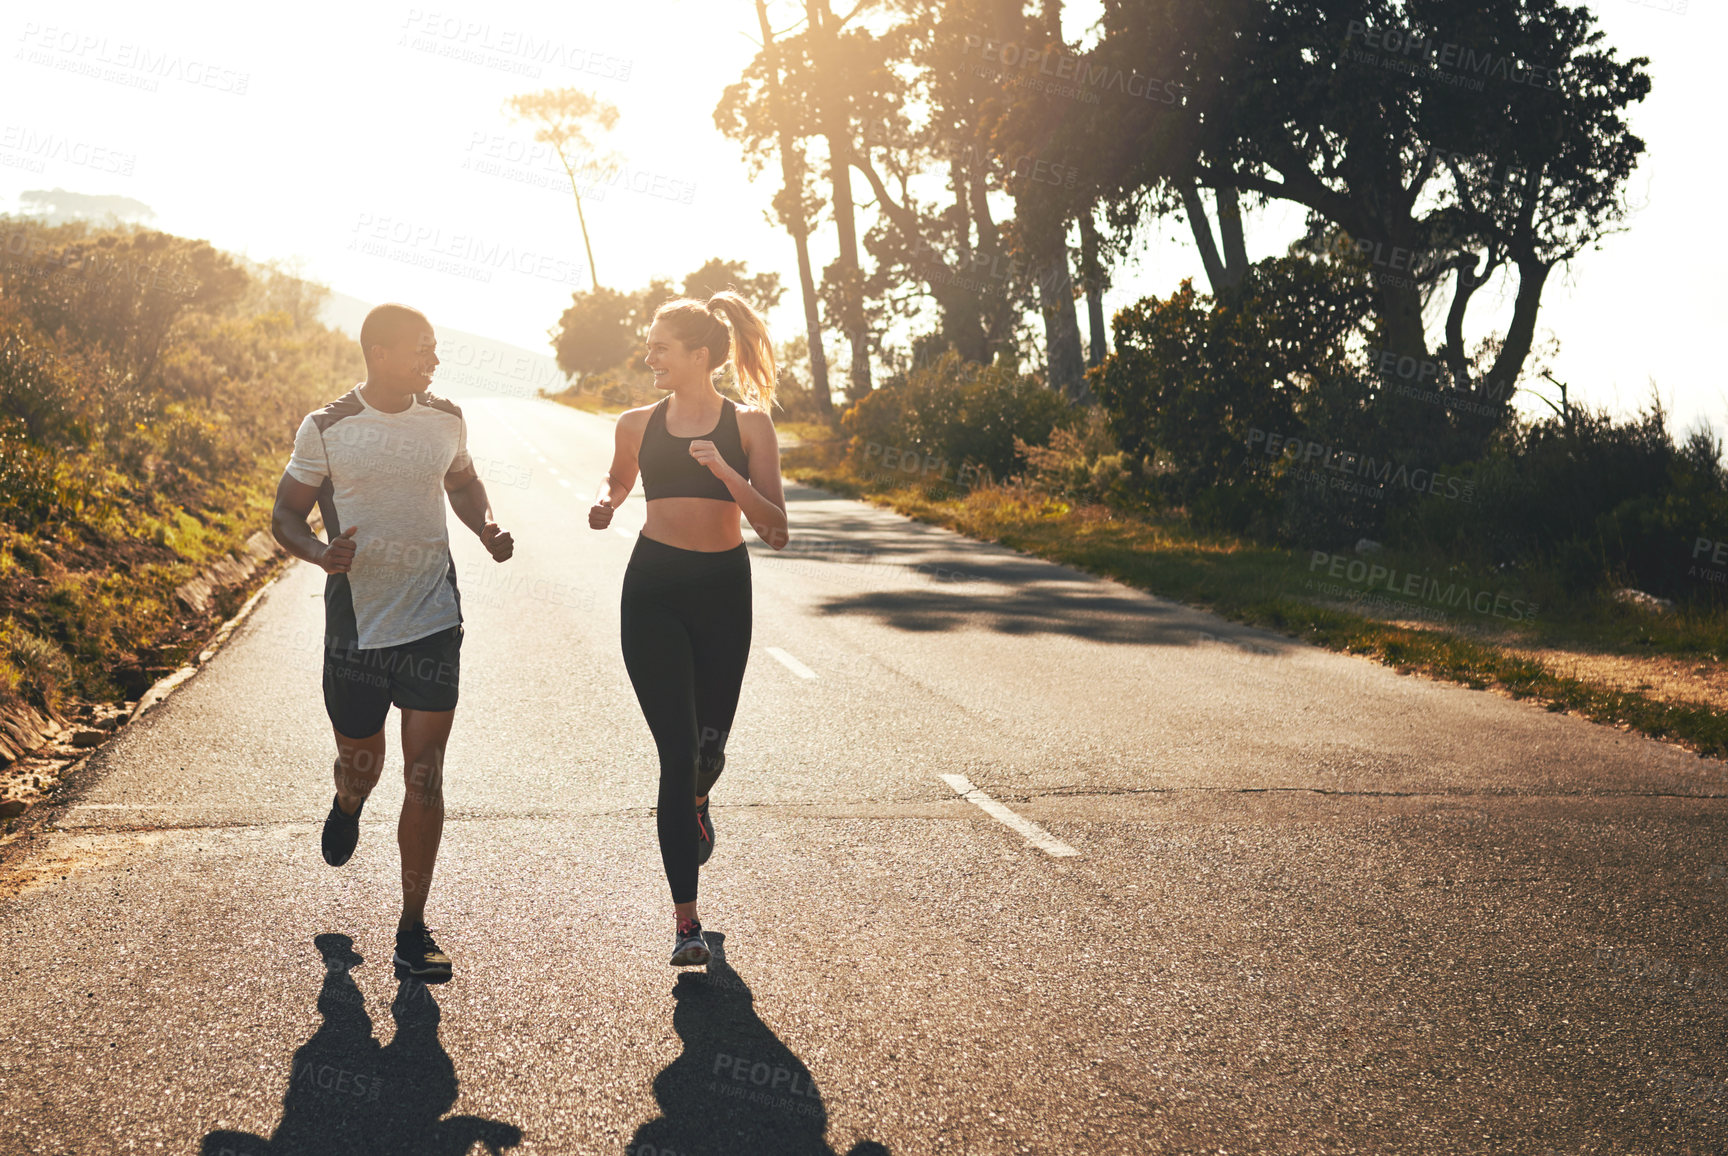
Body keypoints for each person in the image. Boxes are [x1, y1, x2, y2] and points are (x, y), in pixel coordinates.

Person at [271, 303, 514, 984]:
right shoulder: (327, 428)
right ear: (379, 352)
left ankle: (412, 928)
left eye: (435, 350)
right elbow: (285, 513)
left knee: (425, 773)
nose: (432, 361)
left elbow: (463, 481)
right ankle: (347, 803)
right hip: (359, 627)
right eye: (421, 350)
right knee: (362, 761)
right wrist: (322, 553)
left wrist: (487, 527)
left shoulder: (446, 418)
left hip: (434, 617)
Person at [589, 291, 789, 967]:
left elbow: (777, 530)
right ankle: (686, 923)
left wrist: (722, 466)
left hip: (723, 593)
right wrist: (605, 502)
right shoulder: (636, 423)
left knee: (707, 751)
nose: (650, 357)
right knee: (675, 757)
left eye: (661, 347)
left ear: (700, 356)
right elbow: (618, 483)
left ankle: (702, 795)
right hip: (653, 594)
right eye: (649, 346)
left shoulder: (751, 427)